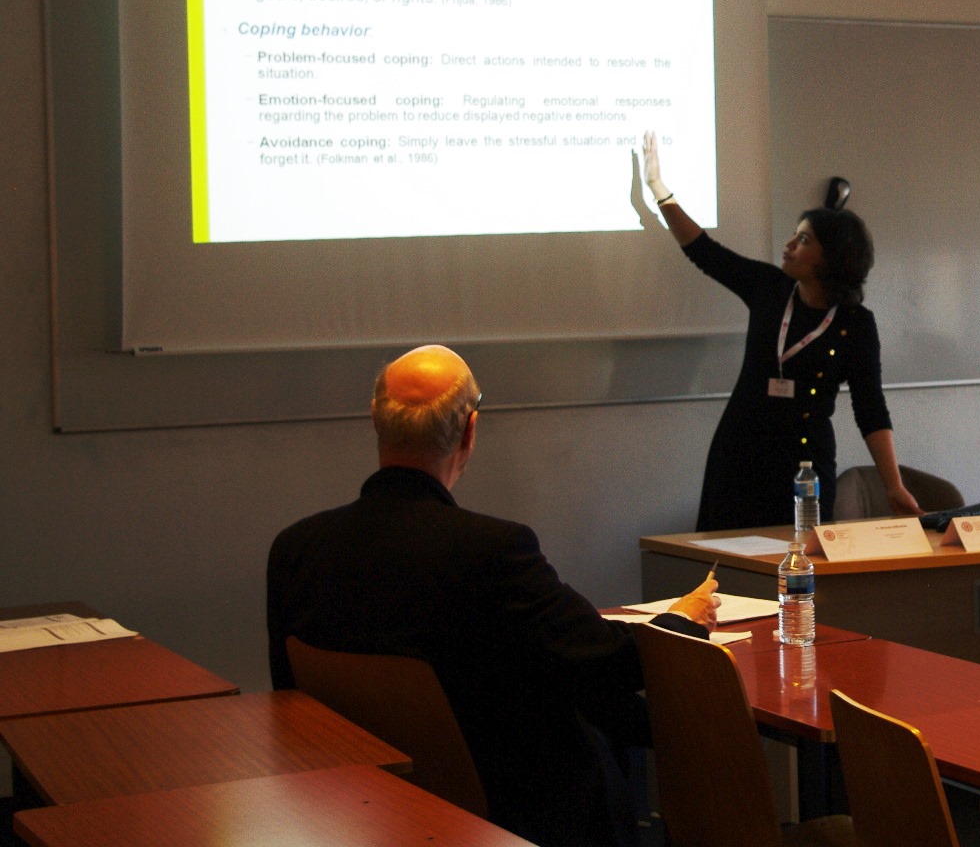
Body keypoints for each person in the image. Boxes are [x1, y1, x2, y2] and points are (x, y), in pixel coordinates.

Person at [267, 344, 717, 847]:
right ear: (470, 430)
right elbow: (608, 663)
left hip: (356, 811)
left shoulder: (295, 550)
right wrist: (683, 620)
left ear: (375, 418)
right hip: (504, 819)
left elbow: (291, 703)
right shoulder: (490, 550)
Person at [639, 130, 921, 530]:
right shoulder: (769, 288)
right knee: (729, 555)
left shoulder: (856, 325)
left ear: (831, 257)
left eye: (802, 239)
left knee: (800, 558)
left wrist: (893, 486)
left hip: (804, 466)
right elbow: (703, 251)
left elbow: (871, 410)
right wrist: (658, 189)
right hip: (738, 456)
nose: (788, 245)